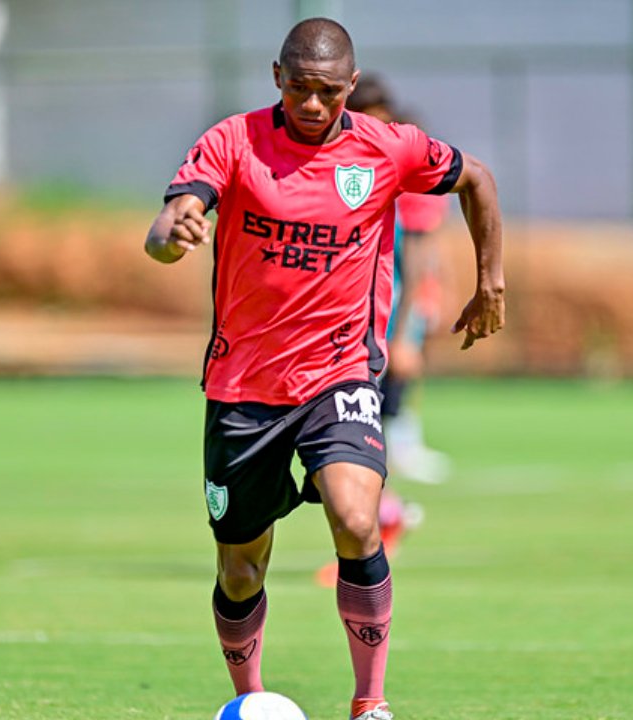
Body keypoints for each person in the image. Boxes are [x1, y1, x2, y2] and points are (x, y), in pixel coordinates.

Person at [145, 18, 505, 720]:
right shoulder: (233, 140)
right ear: (277, 78)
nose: (313, 106)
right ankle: (248, 704)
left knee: (355, 518)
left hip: (339, 374)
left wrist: (490, 282)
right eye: (301, 89)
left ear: (350, 86)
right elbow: (175, 216)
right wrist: (172, 234)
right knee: (241, 566)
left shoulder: (386, 147)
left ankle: (370, 702)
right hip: (242, 389)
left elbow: (478, 181)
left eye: (329, 92)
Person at [347, 74, 454, 487]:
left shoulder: (406, 175)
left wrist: (408, 329)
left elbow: (419, 254)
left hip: (395, 298)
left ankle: (401, 443)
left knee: (398, 371)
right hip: (362, 301)